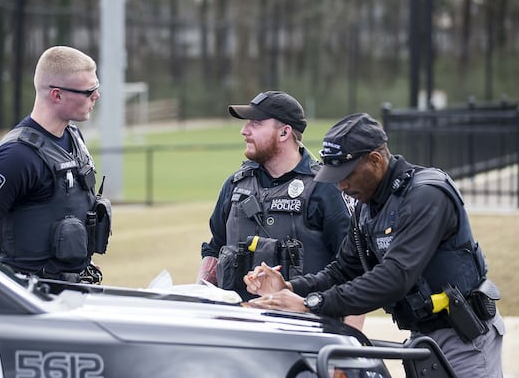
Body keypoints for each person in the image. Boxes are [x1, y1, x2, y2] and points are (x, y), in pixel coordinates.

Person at [244, 112, 505, 377]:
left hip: (463, 338)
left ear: (375, 160)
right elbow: (343, 270)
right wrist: (290, 287)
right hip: (425, 337)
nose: (341, 185)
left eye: (347, 175)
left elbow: (396, 276)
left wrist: (311, 303)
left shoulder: (426, 195)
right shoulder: (369, 205)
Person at [197, 91, 364, 330]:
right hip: (237, 332)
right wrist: (200, 306)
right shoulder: (234, 185)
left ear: (284, 132)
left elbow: (354, 270)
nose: (245, 131)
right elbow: (214, 249)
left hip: (305, 334)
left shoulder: (325, 189)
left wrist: (350, 342)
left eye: (256, 123)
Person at [0, 45, 111, 284]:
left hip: (72, 297)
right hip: (33, 306)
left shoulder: (73, 136)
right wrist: (7, 292)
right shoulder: (16, 156)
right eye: (89, 91)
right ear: (57, 95)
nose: (96, 96)